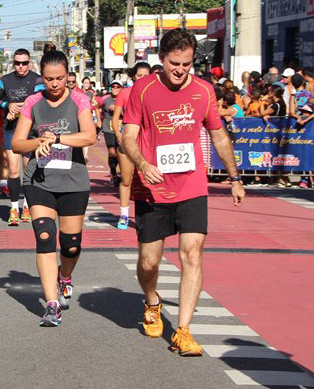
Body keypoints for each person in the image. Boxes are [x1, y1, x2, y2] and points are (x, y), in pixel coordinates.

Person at [121, 29, 245, 355]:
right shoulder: (143, 89)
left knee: (192, 253)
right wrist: (142, 163)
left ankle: (184, 331)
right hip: (152, 187)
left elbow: (218, 136)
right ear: (161, 59)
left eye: (186, 64)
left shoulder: (203, 91)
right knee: (149, 262)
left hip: (192, 185)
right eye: (174, 63)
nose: (180, 70)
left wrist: (234, 177)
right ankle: (152, 301)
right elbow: (128, 136)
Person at [11, 50, 96, 326]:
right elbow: (17, 143)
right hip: (39, 180)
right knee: (45, 235)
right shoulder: (33, 102)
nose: (55, 84)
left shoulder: (79, 100)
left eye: (60, 78)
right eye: (49, 79)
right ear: (42, 77)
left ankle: (65, 276)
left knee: (71, 246)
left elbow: (90, 136)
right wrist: (38, 142)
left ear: (68, 75)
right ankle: (51, 305)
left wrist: (58, 138)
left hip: (73, 181)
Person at [0, 48, 44, 226]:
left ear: (29, 63)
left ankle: (27, 205)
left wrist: (20, 105)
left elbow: (40, 100)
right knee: (13, 170)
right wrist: (7, 105)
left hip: (31, 130)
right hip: (11, 128)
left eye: (24, 63)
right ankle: (14, 208)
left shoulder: (37, 80)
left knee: (28, 170)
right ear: (13, 63)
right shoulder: (5, 80)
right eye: (17, 63)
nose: (20, 66)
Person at [111, 61, 152, 229]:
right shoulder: (125, 92)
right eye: (139, 75)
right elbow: (115, 119)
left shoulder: (154, 93)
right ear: (134, 76)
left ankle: (149, 215)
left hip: (147, 141)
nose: (142, 78)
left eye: (146, 76)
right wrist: (119, 135)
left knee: (147, 179)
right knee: (126, 180)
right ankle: (124, 215)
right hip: (128, 140)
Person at [100, 81, 122, 184]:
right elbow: (97, 107)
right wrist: (99, 120)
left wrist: (118, 110)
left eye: (118, 87)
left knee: (120, 152)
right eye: (113, 86)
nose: (115, 88)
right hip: (108, 128)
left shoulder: (125, 99)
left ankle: (121, 172)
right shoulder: (105, 99)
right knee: (112, 151)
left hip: (121, 128)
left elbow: (130, 111)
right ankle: (114, 174)